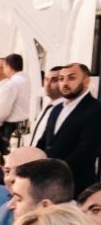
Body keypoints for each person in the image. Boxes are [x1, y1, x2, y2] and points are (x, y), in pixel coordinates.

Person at [43, 63, 101, 193]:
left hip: (76, 183)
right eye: (61, 78)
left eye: (71, 78)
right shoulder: (57, 109)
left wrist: (54, 171)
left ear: (86, 81)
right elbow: (44, 141)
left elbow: (86, 151)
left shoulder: (95, 109)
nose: (64, 83)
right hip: (49, 182)